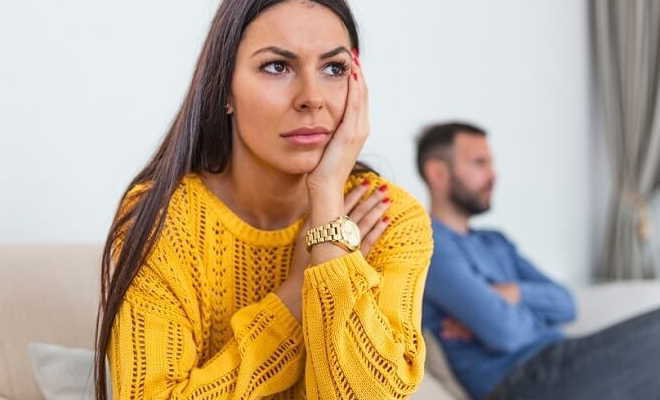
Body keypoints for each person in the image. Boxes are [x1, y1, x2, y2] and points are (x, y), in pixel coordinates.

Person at [94, 1, 434, 399]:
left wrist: (327, 212)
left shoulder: (388, 215)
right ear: (225, 90)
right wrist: (295, 296)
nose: (312, 97)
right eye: (277, 66)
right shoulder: (162, 217)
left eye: (334, 68)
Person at [416, 121, 660, 400]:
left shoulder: (495, 242)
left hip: (568, 363)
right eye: (479, 163)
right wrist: (511, 311)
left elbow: (567, 304)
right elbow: (505, 333)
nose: (493, 174)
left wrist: (515, 295)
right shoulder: (430, 245)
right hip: (524, 381)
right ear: (438, 173)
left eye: (491, 163)